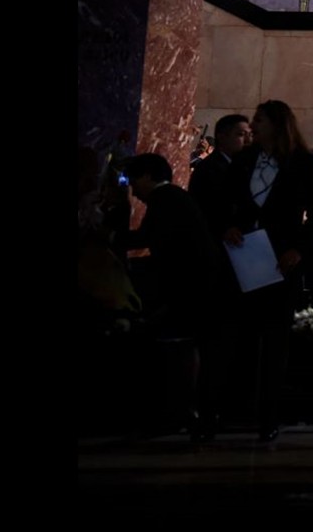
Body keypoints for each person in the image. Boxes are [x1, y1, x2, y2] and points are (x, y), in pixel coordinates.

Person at [219, 100, 313, 442]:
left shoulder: (304, 163)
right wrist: (229, 225)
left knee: (276, 339)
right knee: (242, 335)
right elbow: (225, 202)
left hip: (281, 258)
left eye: (259, 121)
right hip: (246, 254)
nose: (253, 127)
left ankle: (269, 415)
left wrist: (298, 248)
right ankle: (236, 407)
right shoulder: (244, 160)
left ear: (278, 125)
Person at [122, 152, 228, 441]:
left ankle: (180, 413)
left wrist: (110, 236)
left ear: (146, 175)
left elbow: (151, 238)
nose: (132, 188)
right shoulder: (173, 197)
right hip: (194, 287)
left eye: (132, 180)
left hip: (188, 289)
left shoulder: (164, 200)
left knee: (179, 349)